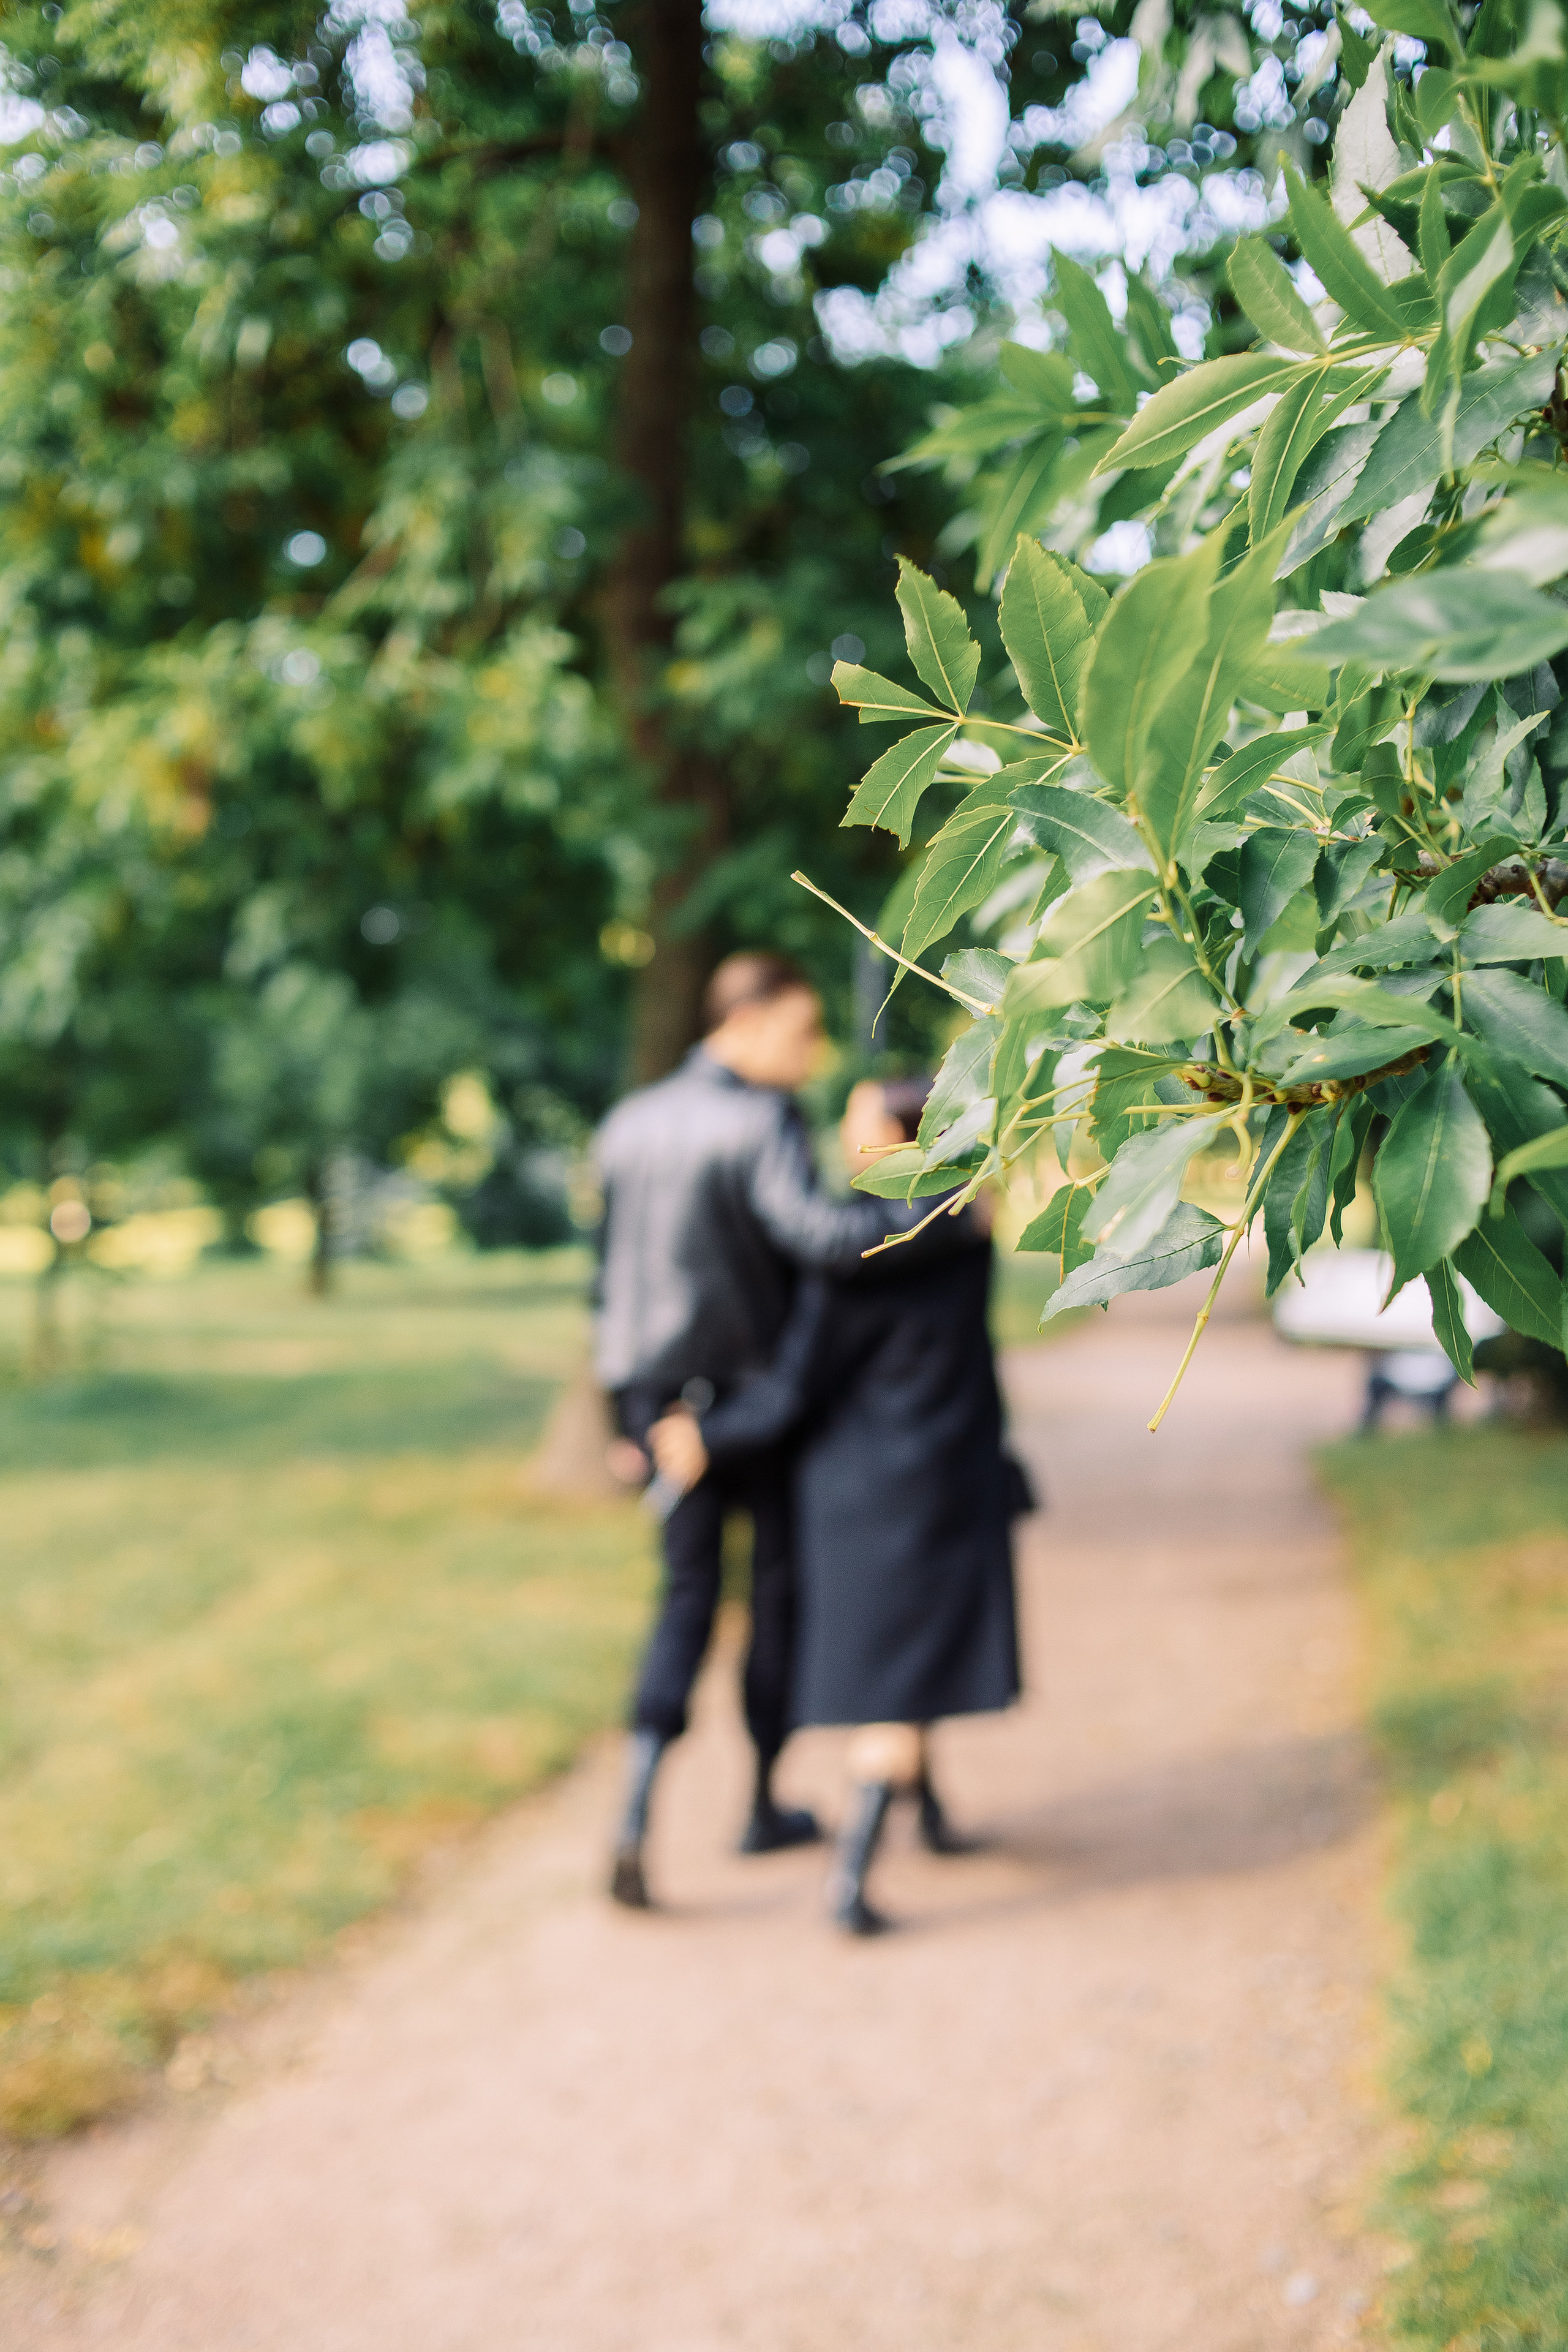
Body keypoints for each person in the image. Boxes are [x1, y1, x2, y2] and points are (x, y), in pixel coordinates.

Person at [594, 954, 946, 1909]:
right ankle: (759, 1802)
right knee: (775, 1607)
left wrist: (625, 1416)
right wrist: (936, 1207)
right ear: (745, 1023)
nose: (812, 1054)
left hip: (658, 1405)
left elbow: (607, 1283)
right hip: (755, 1406)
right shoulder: (759, 1121)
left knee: (685, 1602)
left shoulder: (629, 1121)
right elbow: (819, 1237)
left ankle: (632, 1816)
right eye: (801, 1032)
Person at [649, 1075, 1027, 1937]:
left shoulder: (855, 1256)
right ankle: (926, 1818)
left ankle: (849, 1878)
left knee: (896, 1684)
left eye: (866, 1127)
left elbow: (792, 1390)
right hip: (948, 1479)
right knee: (918, 1660)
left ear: (907, 1137)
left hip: (868, 1500)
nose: (849, 1145)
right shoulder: (966, 1224)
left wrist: (714, 1435)